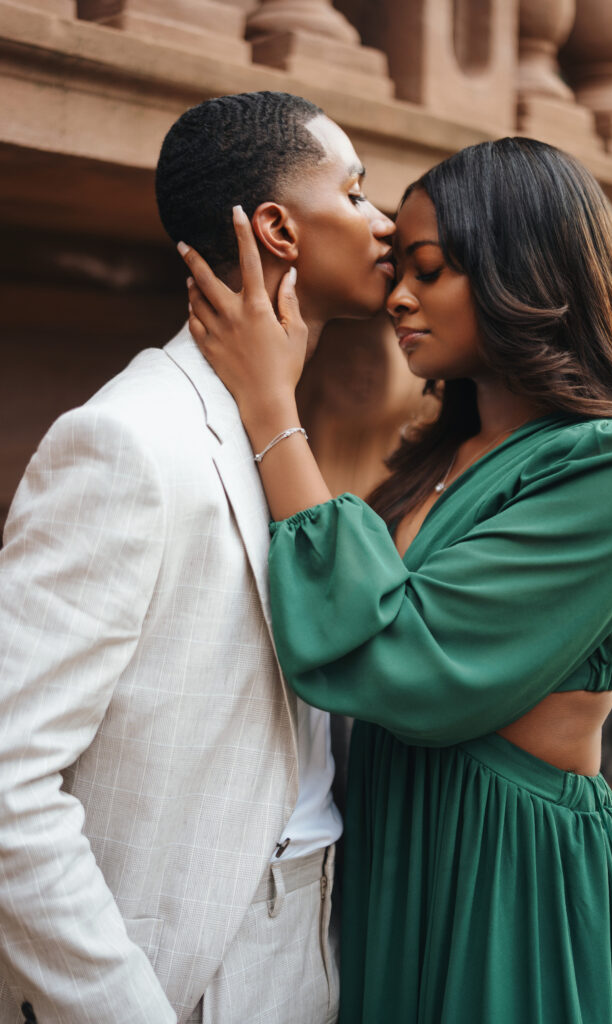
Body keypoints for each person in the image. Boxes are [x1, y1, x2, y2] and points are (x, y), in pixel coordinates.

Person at [179, 136, 612, 1023]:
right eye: (396, 269)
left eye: (432, 269)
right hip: (391, 843)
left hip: (507, 866)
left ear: (522, 272)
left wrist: (270, 405)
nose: (398, 297)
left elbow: (409, 665)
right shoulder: (439, 452)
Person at [0, 90, 393, 1024]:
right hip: (184, 974)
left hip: (313, 944)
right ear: (278, 229)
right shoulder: (128, 440)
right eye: (357, 192)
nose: (384, 223)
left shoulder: (285, 432)